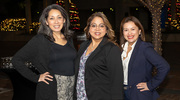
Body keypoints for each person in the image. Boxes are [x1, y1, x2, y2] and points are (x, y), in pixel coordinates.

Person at [11, 4, 76, 100]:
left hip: (71, 89)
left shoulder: (69, 39)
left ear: (64, 20)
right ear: (46, 21)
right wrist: (36, 77)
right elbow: (16, 60)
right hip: (51, 91)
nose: (56, 21)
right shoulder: (39, 40)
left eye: (59, 17)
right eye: (52, 18)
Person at [74, 12, 124, 100]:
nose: (97, 29)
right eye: (93, 25)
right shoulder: (83, 46)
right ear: (89, 28)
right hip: (80, 96)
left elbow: (117, 82)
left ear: (106, 30)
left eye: (101, 26)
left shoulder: (112, 49)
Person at [119, 16, 170, 100]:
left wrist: (150, 85)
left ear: (139, 31)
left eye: (133, 29)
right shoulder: (122, 48)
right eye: (126, 30)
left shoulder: (144, 48)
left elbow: (164, 66)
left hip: (139, 95)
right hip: (123, 93)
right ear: (123, 32)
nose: (129, 33)